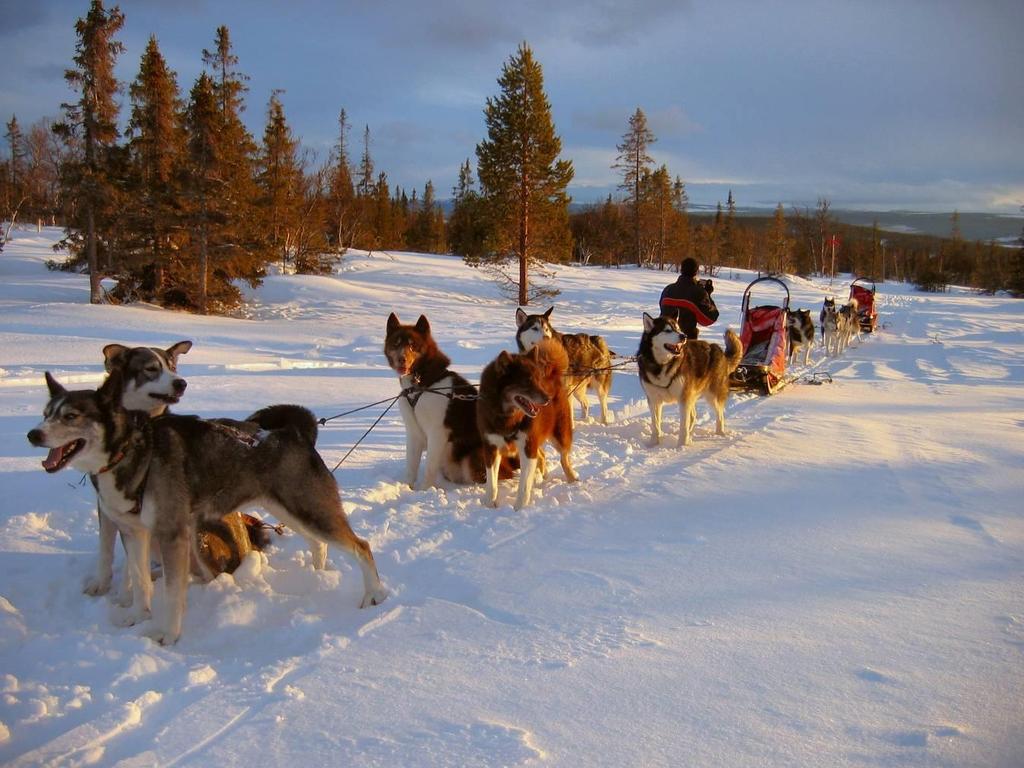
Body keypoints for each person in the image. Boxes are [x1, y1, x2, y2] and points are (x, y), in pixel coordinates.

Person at [659, 257, 719, 340]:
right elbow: (709, 319)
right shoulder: (698, 292)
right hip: (685, 342)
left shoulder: (668, 290)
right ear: (696, 272)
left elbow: (663, 310)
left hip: (663, 341)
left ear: (681, 269)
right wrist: (707, 294)